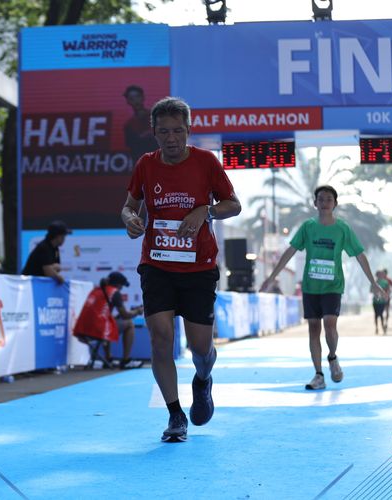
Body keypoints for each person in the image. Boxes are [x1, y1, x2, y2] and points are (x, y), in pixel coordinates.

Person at [121, 96, 241, 443]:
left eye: (178, 131)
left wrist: (205, 211)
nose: (171, 138)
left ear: (188, 130)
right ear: (154, 132)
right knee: (161, 338)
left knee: (201, 348)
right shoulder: (146, 164)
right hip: (156, 263)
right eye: (164, 132)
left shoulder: (206, 162)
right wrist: (130, 219)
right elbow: (129, 206)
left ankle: (203, 381)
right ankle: (175, 414)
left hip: (198, 267)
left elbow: (233, 205)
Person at [260, 185, 386, 391]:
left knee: (329, 324)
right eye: (321, 199)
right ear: (315, 203)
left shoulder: (342, 228)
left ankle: (332, 357)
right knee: (313, 329)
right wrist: (272, 277)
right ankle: (318, 375)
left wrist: (373, 282)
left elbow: (359, 255)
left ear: (335, 204)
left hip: (333, 286)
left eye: (329, 199)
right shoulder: (308, 227)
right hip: (311, 286)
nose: (325, 202)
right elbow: (290, 251)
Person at [74, 272, 145, 369]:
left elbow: (100, 315)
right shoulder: (114, 292)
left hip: (81, 330)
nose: (121, 289)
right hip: (95, 331)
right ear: (118, 284)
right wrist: (137, 311)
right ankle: (126, 361)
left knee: (110, 322)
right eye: (122, 286)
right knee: (129, 324)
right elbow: (125, 315)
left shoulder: (96, 290)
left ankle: (108, 358)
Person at [123, 85, 158, 166]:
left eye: (137, 96)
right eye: (132, 98)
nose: (136, 101)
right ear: (128, 101)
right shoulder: (129, 125)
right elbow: (132, 148)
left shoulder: (156, 116)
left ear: (143, 97)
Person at [372, 270, 390, 335]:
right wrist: (376, 293)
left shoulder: (385, 282)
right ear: (376, 275)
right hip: (375, 301)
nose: (379, 275)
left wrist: (386, 296)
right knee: (376, 315)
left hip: (382, 301)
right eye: (378, 274)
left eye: (380, 274)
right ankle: (376, 327)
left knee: (381, 314)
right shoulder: (374, 282)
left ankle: (382, 327)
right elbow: (371, 290)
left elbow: (388, 290)